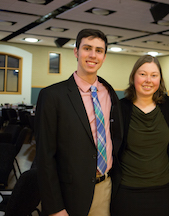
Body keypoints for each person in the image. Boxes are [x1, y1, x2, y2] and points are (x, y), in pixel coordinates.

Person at [35, 29, 123, 216]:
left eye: (99, 50)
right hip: (68, 195)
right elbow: (45, 157)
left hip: (105, 188)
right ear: (76, 51)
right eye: (87, 48)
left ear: (104, 56)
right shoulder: (52, 96)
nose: (93, 55)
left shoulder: (109, 93)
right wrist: (55, 207)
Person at [111, 55, 169, 216]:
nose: (148, 80)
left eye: (154, 75)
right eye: (142, 74)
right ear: (133, 76)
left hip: (162, 193)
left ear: (160, 79)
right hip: (127, 193)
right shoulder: (119, 109)